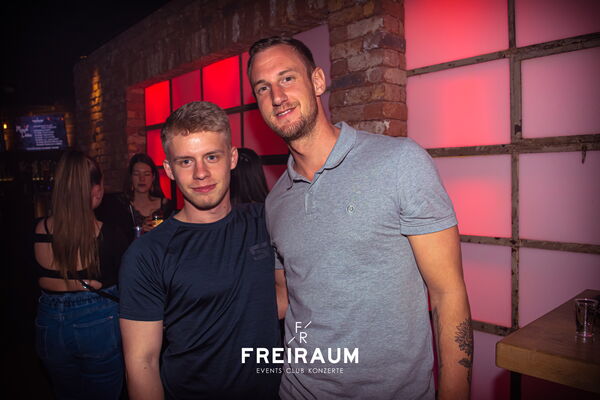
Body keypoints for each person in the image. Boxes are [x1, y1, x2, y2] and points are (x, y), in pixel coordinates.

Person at [247, 36, 473, 399]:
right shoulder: (275, 203)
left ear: (317, 81)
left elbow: (448, 294)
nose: (277, 96)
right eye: (263, 88)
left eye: (287, 78)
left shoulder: (400, 162)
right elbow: (286, 296)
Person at [118, 101, 281, 400]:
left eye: (211, 157)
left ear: (232, 158)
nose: (201, 173)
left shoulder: (267, 221)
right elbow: (143, 362)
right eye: (186, 161)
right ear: (169, 169)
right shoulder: (147, 255)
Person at [33, 150, 128, 400]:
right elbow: (130, 287)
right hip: (96, 325)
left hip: (49, 325)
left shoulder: (39, 229)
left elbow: (34, 279)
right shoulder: (109, 234)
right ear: (96, 190)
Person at [124, 153, 173, 233]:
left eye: (146, 174)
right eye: (136, 174)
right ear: (131, 177)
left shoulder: (166, 205)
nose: (142, 179)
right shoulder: (123, 207)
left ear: (153, 177)